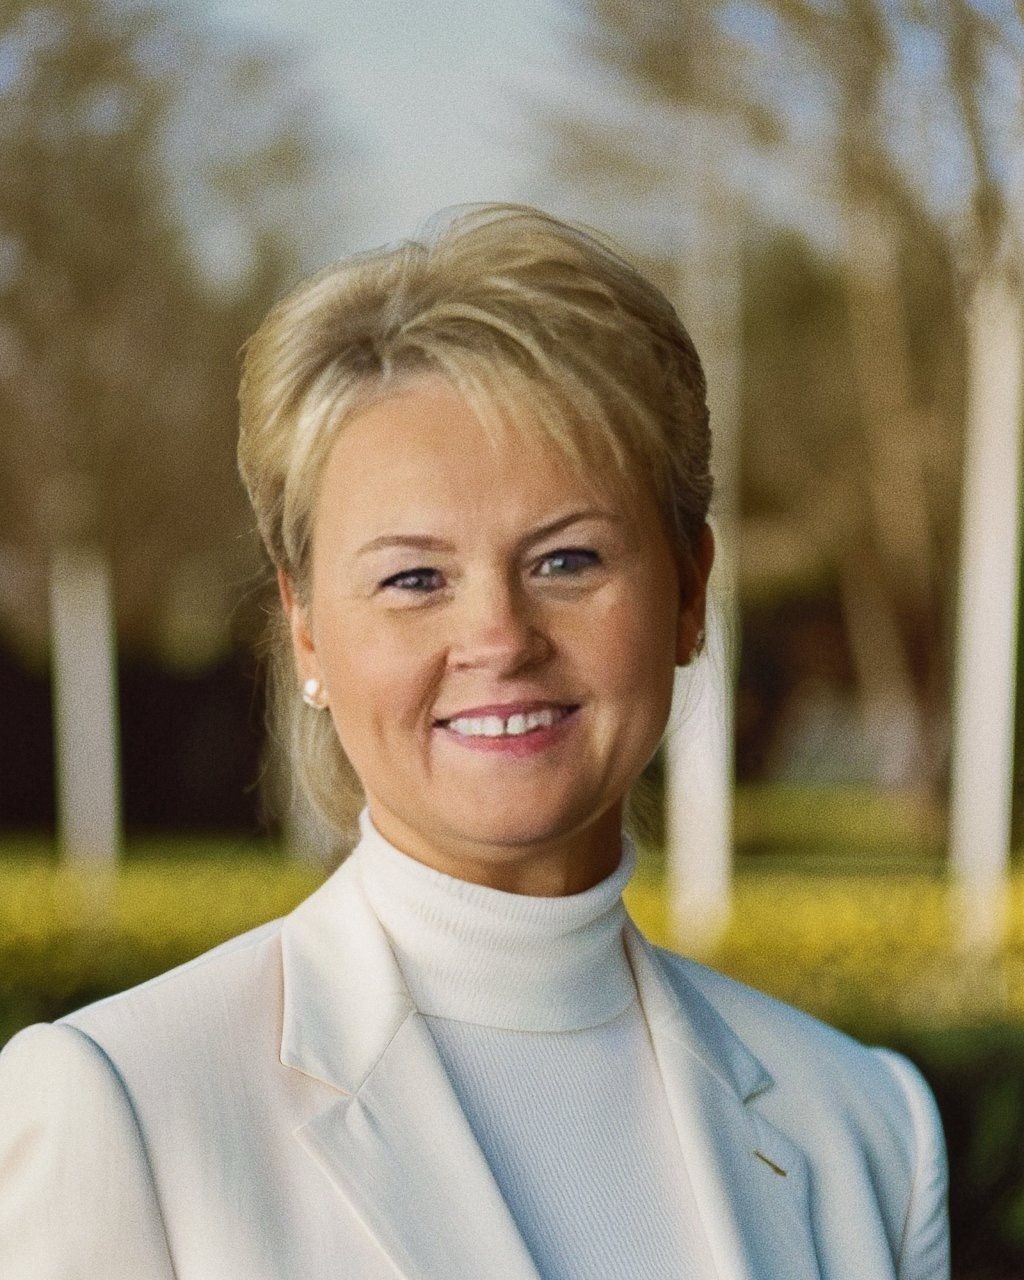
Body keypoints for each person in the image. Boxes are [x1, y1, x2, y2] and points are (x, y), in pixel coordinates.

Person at [0, 203, 948, 1279]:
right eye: (414, 577)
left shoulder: (866, 1126)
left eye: (567, 560)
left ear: (689, 591)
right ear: (306, 626)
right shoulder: (122, 1103)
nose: (497, 637)